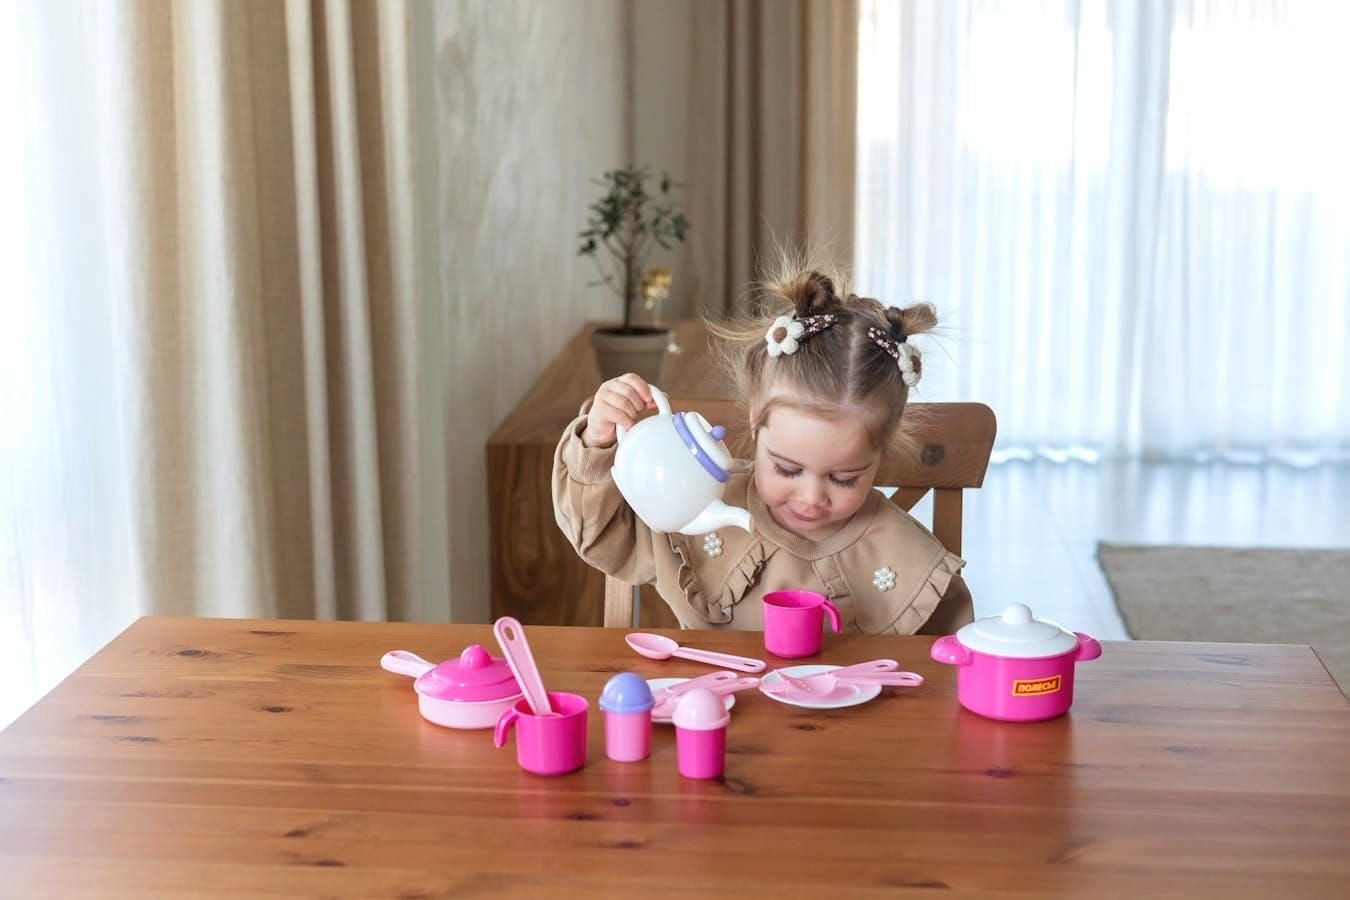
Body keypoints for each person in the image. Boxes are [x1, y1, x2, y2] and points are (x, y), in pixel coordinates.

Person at [552, 260, 973, 633]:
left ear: (880, 450)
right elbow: (603, 538)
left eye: (844, 478)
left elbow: (942, 679)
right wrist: (598, 442)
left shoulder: (906, 555)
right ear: (756, 423)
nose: (811, 497)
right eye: (787, 469)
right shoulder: (695, 506)